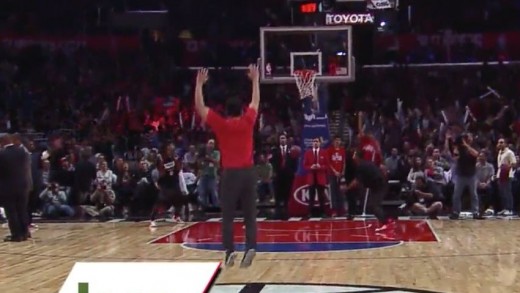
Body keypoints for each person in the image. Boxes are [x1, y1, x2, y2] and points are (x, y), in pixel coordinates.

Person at [194, 65, 259, 268]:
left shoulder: (221, 124)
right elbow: (255, 101)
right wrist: (255, 80)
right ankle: (250, 247)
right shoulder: (248, 121)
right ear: (241, 109)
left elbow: (200, 107)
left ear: (226, 111)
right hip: (248, 172)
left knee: (228, 215)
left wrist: (198, 85)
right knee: (250, 215)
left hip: (230, 174)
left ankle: (230, 251)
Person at [342, 150, 395, 232]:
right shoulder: (366, 163)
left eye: (354, 155)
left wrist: (347, 188)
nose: (353, 157)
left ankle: (387, 223)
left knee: (373, 205)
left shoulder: (361, 166)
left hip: (379, 185)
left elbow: (356, 181)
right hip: (377, 185)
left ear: (357, 157)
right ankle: (388, 220)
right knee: (372, 205)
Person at [0, 134, 31, 241]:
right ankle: (25, 232)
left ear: (2, 142)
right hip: (23, 186)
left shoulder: (2, 154)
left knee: (11, 212)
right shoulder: (22, 151)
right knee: (22, 210)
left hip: (8, 187)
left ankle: (16, 235)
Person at [449, 133, 481, 219]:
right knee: (456, 195)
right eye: (466, 137)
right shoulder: (460, 148)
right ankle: (456, 212)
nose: (468, 139)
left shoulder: (474, 147)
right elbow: (455, 155)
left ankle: (475, 212)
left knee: (474, 194)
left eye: (469, 137)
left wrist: (466, 145)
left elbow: (476, 154)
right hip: (461, 175)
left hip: (471, 175)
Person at [270, 133, 298, 219]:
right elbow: (273, 162)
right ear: (279, 140)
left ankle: (286, 212)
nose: (282, 140)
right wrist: (274, 172)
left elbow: (295, 162)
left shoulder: (291, 150)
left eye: (284, 138)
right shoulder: (275, 150)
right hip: (278, 175)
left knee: (287, 194)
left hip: (288, 175)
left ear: (286, 140)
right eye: (281, 138)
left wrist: (293, 172)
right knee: (278, 194)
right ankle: (277, 213)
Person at [303, 137, 329, 217]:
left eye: (317, 141)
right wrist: (311, 167)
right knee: (311, 196)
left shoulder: (324, 152)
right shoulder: (308, 153)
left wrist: (319, 166)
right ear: (312, 143)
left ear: (320, 143)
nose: (315, 143)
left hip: (321, 177)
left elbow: (327, 165)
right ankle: (310, 213)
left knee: (321, 196)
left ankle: (323, 212)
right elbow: (304, 165)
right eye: (314, 141)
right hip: (311, 178)